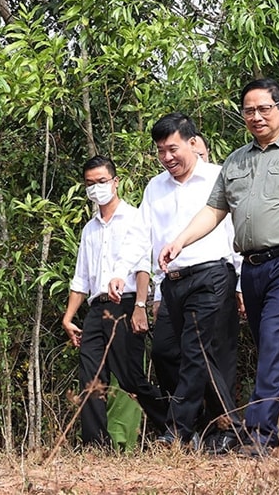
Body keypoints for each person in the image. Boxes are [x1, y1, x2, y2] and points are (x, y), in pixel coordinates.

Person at [159, 77, 279, 456]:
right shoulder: (235, 161)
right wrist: (180, 240)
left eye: (264, 108)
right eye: (249, 110)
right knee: (275, 343)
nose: (256, 116)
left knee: (273, 337)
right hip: (252, 267)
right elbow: (215, 210)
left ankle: (260, 436)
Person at [111, 113, 242, 453]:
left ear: (193, 143)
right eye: (160, 151)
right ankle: (226, 426)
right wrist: (121, 271)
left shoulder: (218, 177)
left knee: (196, 351)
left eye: (173, 148)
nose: (167, 158)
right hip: (172, 282)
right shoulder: (156, 187)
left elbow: (235, 232)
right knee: (165, 351)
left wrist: (240, 282)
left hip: (212, 274)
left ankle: (177, 431)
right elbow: (142, 235)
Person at [61, 155, 168, 448]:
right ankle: (95, 444)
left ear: (115, 181)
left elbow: (143, 266)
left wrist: (141, 307)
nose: (96, 188)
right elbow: (81, 279)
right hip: (96, 309)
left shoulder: (135, 218)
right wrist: (69, 317)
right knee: (91, 378)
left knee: (130, 377)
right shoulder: (89, 229)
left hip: (127, 304)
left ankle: (173, 423)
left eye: (102, 181)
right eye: (90, 184)